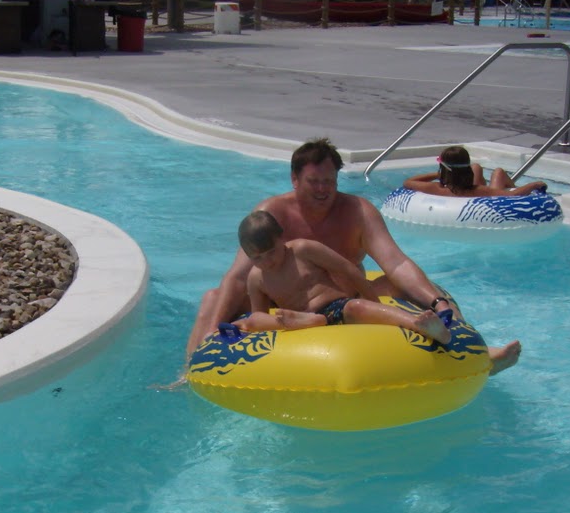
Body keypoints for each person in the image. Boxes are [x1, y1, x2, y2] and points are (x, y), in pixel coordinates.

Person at [184, 138, 521, 373]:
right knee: (213, 296)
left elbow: (397, 262)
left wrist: (436, 303)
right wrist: (216, 329)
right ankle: (193, 370)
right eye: (313, 181)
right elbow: (239, 276)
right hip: (285, 305)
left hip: (343, 299)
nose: (322, 189)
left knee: (431, 291)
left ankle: (477, 353)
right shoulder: (272, 213)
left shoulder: (357, 210)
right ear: (294, 178)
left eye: (329, 180)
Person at [236, 210, 452, 345]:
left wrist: (373, 303)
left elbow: (348, 269)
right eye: (257, 258)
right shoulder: (256, 279)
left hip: (334, 309)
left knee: (357, 306)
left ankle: (420, 324)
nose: (267, 262)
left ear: (282, 237)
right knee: (254, 319)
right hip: (297, 321)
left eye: (271, 251)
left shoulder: (303, 250)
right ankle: (306, 322)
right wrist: (253, 325)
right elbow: (260, 317)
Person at [401, 146, 550, 197]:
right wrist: (534, 184)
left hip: (454, 187)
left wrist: (437, 175)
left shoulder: (435, 189)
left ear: (444, 169)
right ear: (466, 169)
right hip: (483, 198)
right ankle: (509, 182)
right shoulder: (480, 191)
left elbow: (408, 182)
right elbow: (511, 195)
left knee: (477, 167)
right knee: (498, 172)